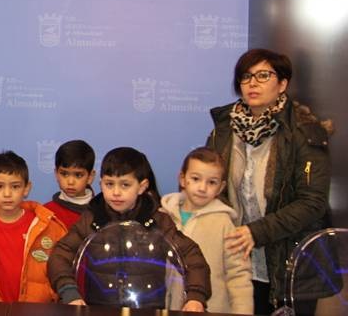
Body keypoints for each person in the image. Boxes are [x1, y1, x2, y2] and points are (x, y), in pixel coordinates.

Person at [207, 48, 333, 313]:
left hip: (288, 261)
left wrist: (257, 232)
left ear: (283, 83)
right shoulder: (223, 131)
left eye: (263, 75)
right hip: (238, 259)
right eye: (246, 76)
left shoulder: (304, 132)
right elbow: (212, 187)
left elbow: (313, 203)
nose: (253, 83)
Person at [47, 147, 211, 312]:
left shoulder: (158, 221)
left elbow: (192, 256)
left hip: (149, 310)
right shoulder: (91, 219)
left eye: (125, 185)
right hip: (98, 308)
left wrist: (195, 297)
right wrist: (69, 292)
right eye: (109, 184)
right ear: (100, 183)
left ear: (142, 186)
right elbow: (60, 254)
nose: (116, 192)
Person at [0, 151, 66, 302]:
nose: (7, 193)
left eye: (15, 187)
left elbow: (62, 266)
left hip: (33, 310)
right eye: (0, 186)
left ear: (26, 188)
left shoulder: (47, 226)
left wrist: (49, 294)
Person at [160, 147, 253, 314]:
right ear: (182, 179)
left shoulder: (224, 224)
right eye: (195, 179)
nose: (202, 188)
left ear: (220, 187)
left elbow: (238, 277)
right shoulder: (164, 217)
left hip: (212, 309)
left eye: (212, 182)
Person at [43, 140, 96, 228]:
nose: (70, 182)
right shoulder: (47, 212)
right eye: (64, 174)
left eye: (78, 175)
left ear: (90, 177)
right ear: (56, 174)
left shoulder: (102, 211)